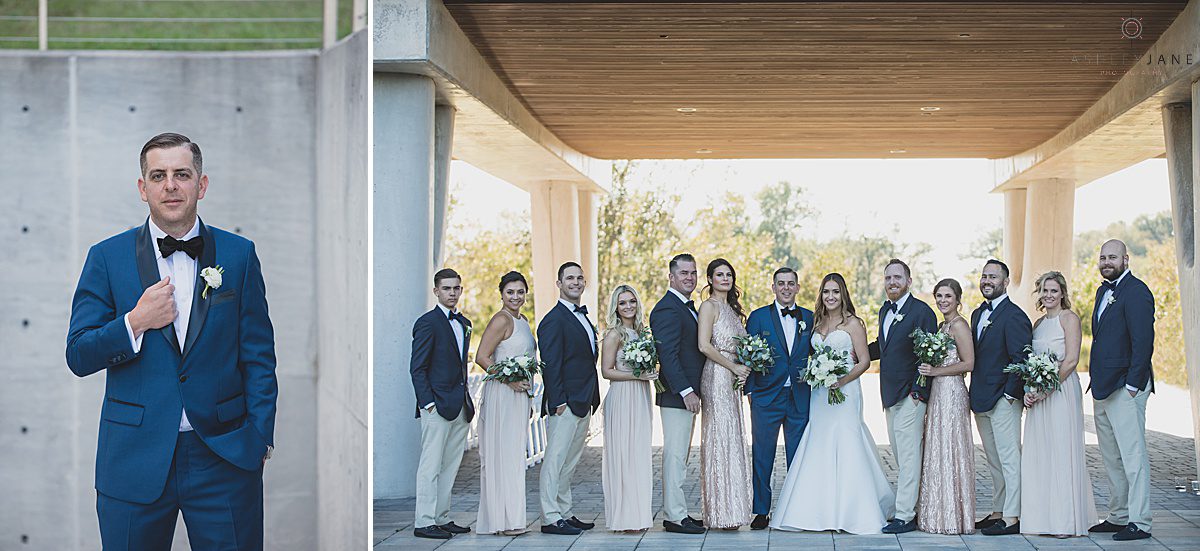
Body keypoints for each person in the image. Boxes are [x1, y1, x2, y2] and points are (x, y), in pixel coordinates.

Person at [66, 132, 277, 549]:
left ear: (201, 184)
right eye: (158, 175)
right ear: (143, 188)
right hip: (133, 460)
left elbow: (258, 356)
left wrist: (259, 437)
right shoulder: (106, 257)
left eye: (182, 174)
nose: (171, 185)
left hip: (224, 456)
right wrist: (134, 322)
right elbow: (79, 353)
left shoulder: (239, 254)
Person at [771, 273, 895, 534]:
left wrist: (841, 381)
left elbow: (863, 361)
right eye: (826, 292)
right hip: (820, 395)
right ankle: (816, 511)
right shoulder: (816, 323)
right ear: (821, 295)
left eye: (835, 292)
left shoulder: (853, 324)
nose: (830, 296)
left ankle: (853, 512)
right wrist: (815, 373)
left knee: (847, 441)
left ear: (843, 295)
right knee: (820, 442)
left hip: (846, 392)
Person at [1087, 239, 1155, 541]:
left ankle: (1140, 522)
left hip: (1125, 387)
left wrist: (1132, 385)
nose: (1106, 262)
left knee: (1132, 456)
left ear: (1126, 259)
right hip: (1102, 386)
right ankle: (1118, 515)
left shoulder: (1137, 292)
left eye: (1112, 257)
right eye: (1103, 257)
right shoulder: (1103, 291)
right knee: (1112, 457)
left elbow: (1144, 342)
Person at [1020, 271, 1097, 537]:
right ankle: (1041, 518)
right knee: (1040, 453)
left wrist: (1046, 389)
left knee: (1061, 450)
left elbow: (1072, 360)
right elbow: (1031, 361)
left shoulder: (1069, 318)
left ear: (1062, 293)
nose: (1048, 295)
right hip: (1039, 393)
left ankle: (1065, 521)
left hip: (1061, 391)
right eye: (1044, 290)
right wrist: (1030, 390)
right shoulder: (1038, 323)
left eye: (1053, 291)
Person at [868, 259, 937, 534]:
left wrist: (918, 393)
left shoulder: (922, 312)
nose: (892, 282)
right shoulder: (885, 309)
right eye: (888, 278)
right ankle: (916, 507)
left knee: (908, 457)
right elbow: (884, 348)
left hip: (911, 394)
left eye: (897, 277)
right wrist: (853, 353)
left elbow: (930, 353)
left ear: (909, 281)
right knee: (901, 454)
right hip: (889, 394)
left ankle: (905, 515)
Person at [743, 267, 813, 530]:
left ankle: (796, 509)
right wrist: (750, 391)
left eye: (790, 283)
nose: (785, 288)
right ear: (773, 287)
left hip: (799, 396)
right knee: (762, 455)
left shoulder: (809, 317)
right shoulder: (758, 317)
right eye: (781, 283)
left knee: (798, 455)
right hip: (765, 397)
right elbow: (747, 353)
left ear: (797, 287)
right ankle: (761, 511)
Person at [409, 268, 475, 539]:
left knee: (450, 465)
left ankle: (441, 516)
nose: (452, 293)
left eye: (456, 288)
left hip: (460, 405)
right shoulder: (427, 322)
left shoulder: (464, 322)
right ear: (436, 291)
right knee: (430, 465)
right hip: (437, 406)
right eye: (446, 288)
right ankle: (424, 522)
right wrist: (428, 404)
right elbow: (417, 368)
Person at [537, 262, 601, 535]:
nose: (576, 282)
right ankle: (550, 517)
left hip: (583, 400)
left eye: (579, 278)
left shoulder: (582, 316)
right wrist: (558, 401)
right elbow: (550, 364)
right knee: (555, 460)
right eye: (570, 278)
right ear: (559, 284)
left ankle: (564, 511)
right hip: (564, 404)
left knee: (570, 461)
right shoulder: (552, 320)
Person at [969, 259, 1032, 536]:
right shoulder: (975, 314)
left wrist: (1009, 395)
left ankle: (1013, 517)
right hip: (981, 397)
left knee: (1009, 458)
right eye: (984, 276)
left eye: (993, 277)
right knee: (994, 460)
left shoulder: (1015, 315)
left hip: (1004, 400)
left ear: (1006, 282)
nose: (987, 281)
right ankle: (998, 511)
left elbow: (1022, 359)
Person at [474, 271, 536, 536]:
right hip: (502, 394)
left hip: (519, 397)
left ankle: (512, 518)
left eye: (520, 291)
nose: (515, 296)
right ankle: (501, 520)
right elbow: (482, 356)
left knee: (513, 456)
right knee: (502, 456)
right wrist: (508, 381)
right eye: (510, 292)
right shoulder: (501, 319)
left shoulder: (523, 321)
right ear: (501, 294)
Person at [649, 253, 707, 534]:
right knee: (674, 456)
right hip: (677, 396)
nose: (689, 278)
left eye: (693, 273)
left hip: (689, 394)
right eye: (683, 273)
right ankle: (674, 517)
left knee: (681, 455)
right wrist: (686, 391)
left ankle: (680, 511)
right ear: (671, 277)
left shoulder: (686, 307)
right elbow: (668, 355)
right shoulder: (667, 309)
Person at [695, 258, 754, 530]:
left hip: (733, 375)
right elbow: (704, 345)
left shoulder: (731, 309)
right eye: (719, 274)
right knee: (720, 437)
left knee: (732, 437)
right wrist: (733, 367)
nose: (725, 278)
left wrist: (746, 367)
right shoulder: (709, 306)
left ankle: (734, 509)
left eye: (729, 274)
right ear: (710, 279)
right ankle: (720, 512)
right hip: (718, 374)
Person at [915, 278, 976, 535]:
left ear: (958, 299)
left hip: (952, 392)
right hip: (938, 393)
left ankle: (956, 517)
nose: (942, 300)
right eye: (939, 296)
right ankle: (938, 513)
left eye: (947, 296)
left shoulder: (960, 325)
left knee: (952, 449)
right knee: (938, 448)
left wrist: (936, 371)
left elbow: (969, 363)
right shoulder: (942, 326)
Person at [600, 285, 657, 532]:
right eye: (622, 303)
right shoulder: (614, 334)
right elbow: (606, 371)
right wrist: (638, 375)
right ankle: (623, 517)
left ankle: (638, 516)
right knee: (622, 454)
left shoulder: (643, 333)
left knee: (638, 453)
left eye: (632, 301)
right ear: (616, 307)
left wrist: (649, 374)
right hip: (622, 396)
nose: (628, 306)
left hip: (640, 396)